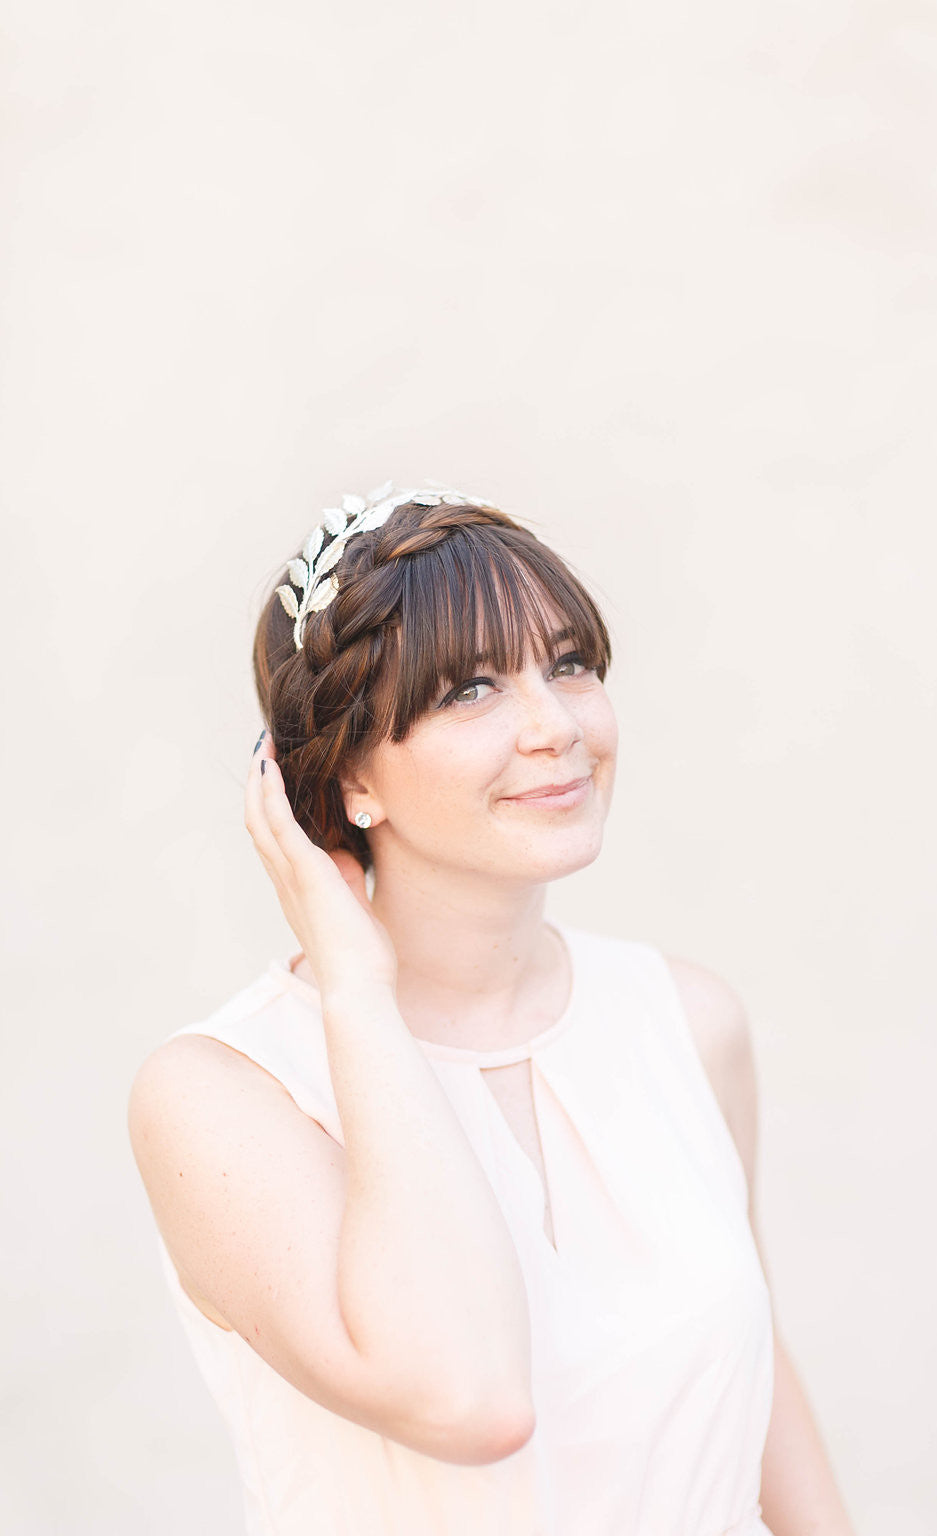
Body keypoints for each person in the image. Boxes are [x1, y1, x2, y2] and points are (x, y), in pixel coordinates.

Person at [129, 480, 855, 1536]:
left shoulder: (688, 1024)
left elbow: (751, 1378)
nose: (554, 726)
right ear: (351, 778)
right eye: (470, 689)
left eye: (567, 665)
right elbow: (468, 1400)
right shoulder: (220, 1096)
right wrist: (357, 986)